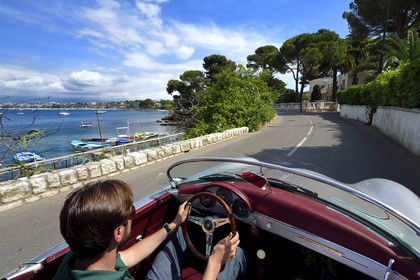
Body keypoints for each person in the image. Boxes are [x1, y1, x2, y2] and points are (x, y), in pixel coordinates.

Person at [55, 179, 248, 279]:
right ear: (118, 232)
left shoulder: (73, 259)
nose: (133, 215)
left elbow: (129, 256)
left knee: (178, 234)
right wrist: (214, 261)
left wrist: (173, 224)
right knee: (237, 254)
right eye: (130, 213)